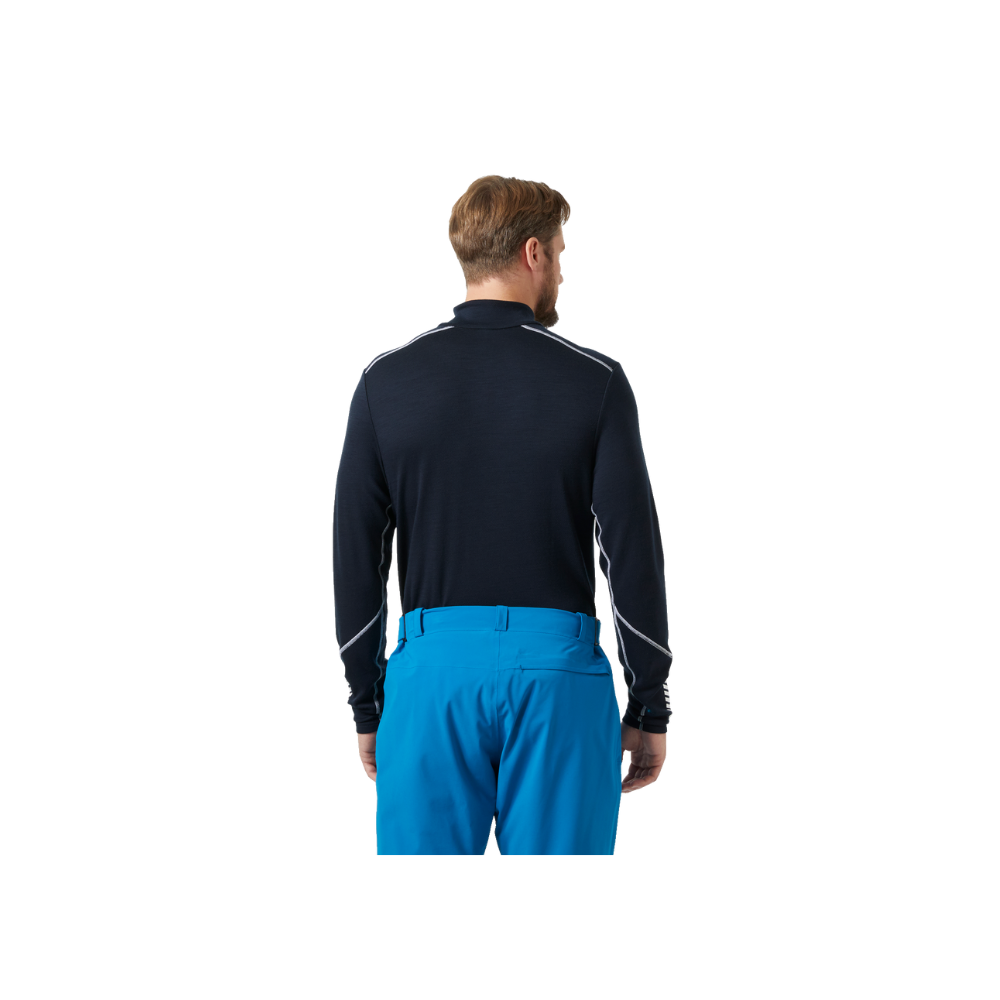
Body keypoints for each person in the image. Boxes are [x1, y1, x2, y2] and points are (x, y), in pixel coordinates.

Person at [333, 175, 672, 854]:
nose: (562, 273)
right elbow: (631, 553)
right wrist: (648, 702)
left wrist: (368, 701)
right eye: (560, 253)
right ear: (532, 253)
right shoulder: (595, 381)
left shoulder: (385, 382)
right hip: (558, 680)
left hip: (430, 682)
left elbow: (356, 556)